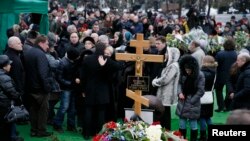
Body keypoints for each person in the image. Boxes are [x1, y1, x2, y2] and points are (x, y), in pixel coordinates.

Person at [80, 42, 123, 139]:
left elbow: (83, 76)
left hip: (89, 89)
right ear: (104, 50)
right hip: (103, 91)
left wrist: (83, 89)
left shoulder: (87, 59)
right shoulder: (106, 59)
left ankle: (86, 133)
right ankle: (100, 133)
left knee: (88, 111)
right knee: (101, 113)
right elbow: (119, 66)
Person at [23, 35, 53, 137]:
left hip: (30, 87)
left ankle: (34, 130)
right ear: (41, 43)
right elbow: (42, 73)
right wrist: (47, 87)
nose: (48, 46)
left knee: (33, 110)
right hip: (40, 89)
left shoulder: (29, 52)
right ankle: (41, 131)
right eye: (47, 44)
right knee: (43, 111)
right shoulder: (40, 54)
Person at [176, 55, 205, 141]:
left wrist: (192, 101)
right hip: (182, 101)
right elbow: (179, 84)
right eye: (186, 69)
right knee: (182, 123)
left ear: (193, 68)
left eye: (189, 70)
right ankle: (182, 139)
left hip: (193, 103)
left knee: (193, 123)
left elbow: (201, 91)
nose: (187, 71)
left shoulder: (200, 75)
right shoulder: (183, 73)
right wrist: (179, 92)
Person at [152, 47, 180, 130]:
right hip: (164, 93)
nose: (166, 55)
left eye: (168, 53)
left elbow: (165, 79)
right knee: (163, 113)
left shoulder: (173, 66)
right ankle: (163, 130)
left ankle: (166, 131)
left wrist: (155, 81)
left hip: (167, 94)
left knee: (165, 114)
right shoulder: (169, 64)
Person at [0, 55, 23, 141]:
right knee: (6, 126)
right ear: (4, 66)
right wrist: (19, 99)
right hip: (4, 105)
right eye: (9, 64)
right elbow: (12, 92)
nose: (10, 65)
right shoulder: (4, 77)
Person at [214, 39, 237, 112]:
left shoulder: (220, 53)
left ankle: (221, 106)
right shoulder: (236, 54)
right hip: (232, 75)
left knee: (218, 90)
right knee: (229, 91)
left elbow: (216, 65)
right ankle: (227, 106)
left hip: (221, 75)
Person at [199, 55, 217, 141]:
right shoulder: (214, 71)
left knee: (202, 117)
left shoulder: (202, 72)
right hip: (210, 96)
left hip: (202, 96)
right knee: (208, 117)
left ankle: (203, 136)